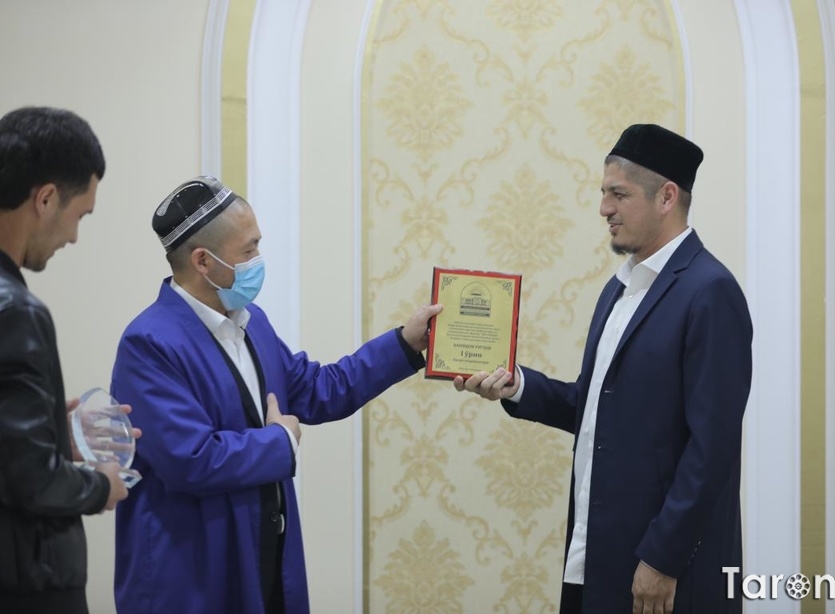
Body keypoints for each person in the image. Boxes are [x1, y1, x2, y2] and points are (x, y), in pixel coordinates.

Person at [454, 124, 753, 613]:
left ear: (667, 197)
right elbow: (595, 408)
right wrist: (515, 384)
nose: (604, 209)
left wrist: (663, 558)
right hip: (596, 560)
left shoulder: (709, 291)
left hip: (665, 574)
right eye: (603, 193)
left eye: (619, 194)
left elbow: (712, 448)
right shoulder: (618, 289)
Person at [110, 175, 442, 614]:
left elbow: (320, 390)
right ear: (203, 261)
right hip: (194, 576)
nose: (258, 260)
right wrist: (280, 440)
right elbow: (191, 460)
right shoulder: (150, 343)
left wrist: (404, 343)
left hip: (264, 559)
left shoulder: (251, 321)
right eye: (248, 250)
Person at [0, 106, 130, 614]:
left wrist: (52, 433)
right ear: (46, 198)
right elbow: (33, 480)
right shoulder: (16, 311)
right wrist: (102, 486)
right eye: (80, 216)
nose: (73, 237)